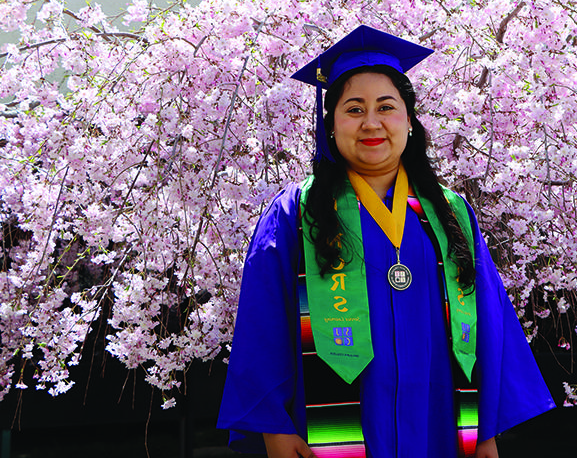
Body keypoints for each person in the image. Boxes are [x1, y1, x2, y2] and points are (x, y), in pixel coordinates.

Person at [217, 25, 555, 458]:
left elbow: (489, 326)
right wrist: (274, 429)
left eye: (386, 107)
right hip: (331, 434)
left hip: (440, 426)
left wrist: (485, 432)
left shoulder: (450, 214)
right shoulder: (297, 212)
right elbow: (263, 322)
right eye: (354, 109)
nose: (371, 123)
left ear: (410, 122)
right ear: (331, 125)